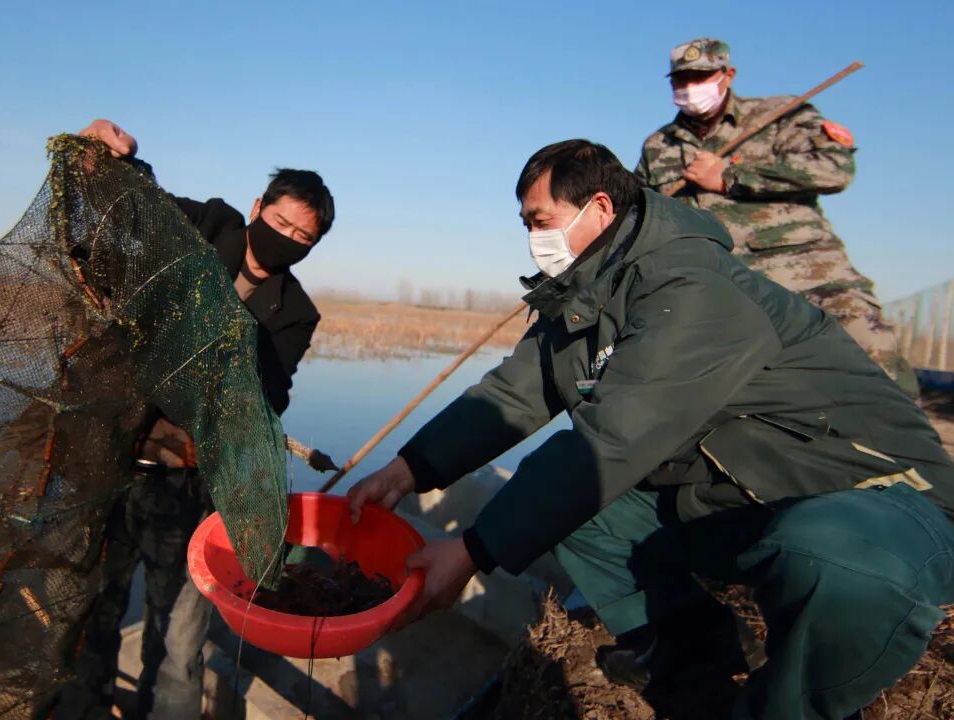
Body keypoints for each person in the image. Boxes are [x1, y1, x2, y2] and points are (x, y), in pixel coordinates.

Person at [349, 139, 954, 719]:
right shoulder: (586, 295)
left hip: (877, 496)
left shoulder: (692, 285)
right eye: (525, 224)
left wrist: (472, 551)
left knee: (834, 556)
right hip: (743, 493)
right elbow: (512, 393)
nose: (532, 239)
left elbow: (615, 437)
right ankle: (695, 650)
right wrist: (408, 470)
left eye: (540, 221)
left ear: (599, 207)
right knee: (577, 512)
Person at [56, 119, 334, 719]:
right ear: (257, 208)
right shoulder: (206, 225)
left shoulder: (295, 312)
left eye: (301, 238)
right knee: (92, 612)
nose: (285, 239)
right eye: (280, 222)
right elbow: (132, 209)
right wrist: (100, 158)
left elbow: (273, 393)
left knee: (180, 640)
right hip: (110, 462)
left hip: (187, 483)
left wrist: (228, 358)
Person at [634, 38, 919, 398]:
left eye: (701, 76)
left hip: (810, 278)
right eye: (681, 79)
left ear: (728, 75)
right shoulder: (658, 146)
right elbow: (643, 212)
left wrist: (730, 176)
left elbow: (835, 168)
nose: (690, 87)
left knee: (874, 360)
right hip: (724, 291)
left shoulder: (780, 116)